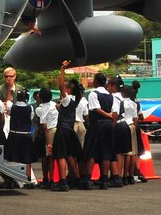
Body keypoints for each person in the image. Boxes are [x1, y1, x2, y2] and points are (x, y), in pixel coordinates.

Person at [78, 73, 118, 190]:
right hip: (108, 126)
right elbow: (115, 113)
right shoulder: (111, 96)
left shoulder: (93, 93)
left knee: (91, 152)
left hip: (97, 124)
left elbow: (96, 109)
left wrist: (108, 116)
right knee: (106, 153)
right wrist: (112, 123)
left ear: (96, 82)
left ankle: (88, 179)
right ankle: (104, 180)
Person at [51, 61, 83, 191]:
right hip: (69, 130)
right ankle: (77, 179)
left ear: (68, 89)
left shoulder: (68, 99)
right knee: (69, 156)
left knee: (60, 155)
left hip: (62, 129)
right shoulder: (76, 99)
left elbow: (60, 85)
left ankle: (63, 182)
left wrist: (62, 69)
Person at [4, 89, 36, 185]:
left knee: (12, 158)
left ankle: (11, 180)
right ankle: (28, 179)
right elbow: (31, 118)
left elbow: (8, 100)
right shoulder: (30, 108)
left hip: (14, 135)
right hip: (26, 135)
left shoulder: (12, 107)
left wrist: (9, 88)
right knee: (27, 158)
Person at [35, 87, 58, 188]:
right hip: (57, 130)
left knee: (48, 156)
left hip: (49, 132)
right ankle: (52, 179)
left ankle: (48, 180)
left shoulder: (42, 108)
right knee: (53, 157)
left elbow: (44, 125)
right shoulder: (55, 104)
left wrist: (48, 141)